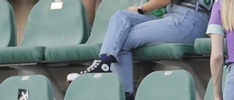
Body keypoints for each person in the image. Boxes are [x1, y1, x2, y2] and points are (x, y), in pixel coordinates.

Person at [72, 0, 213, 94]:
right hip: (174, 17)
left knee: (121, 39)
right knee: (120, 16)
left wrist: (142, 8)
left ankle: (123, 94)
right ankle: (105, 62)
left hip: (189, 20)